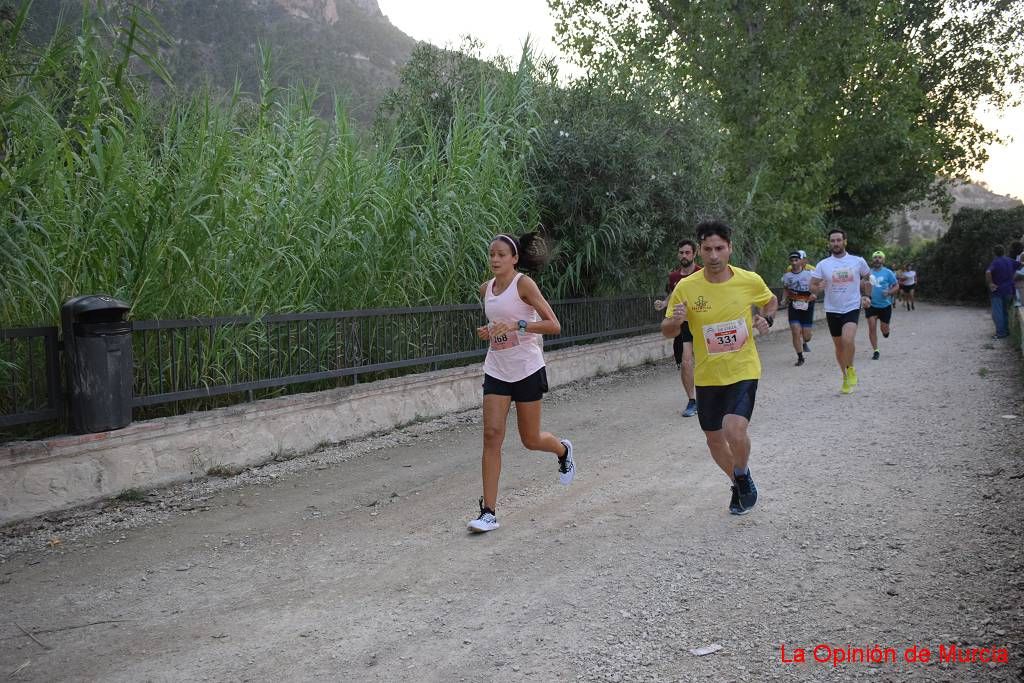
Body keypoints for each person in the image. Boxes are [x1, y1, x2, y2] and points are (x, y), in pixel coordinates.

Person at [661, 220, 778, 515]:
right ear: (699, 251)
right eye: (708, 249)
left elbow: (771, 300)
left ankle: (740, 475)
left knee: (733, 429)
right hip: (708, 375)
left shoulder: (748, 280)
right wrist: (675, 320)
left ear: (730, 249)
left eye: (719, 248)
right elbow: (666, 330)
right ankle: (740, 480)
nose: (714, 255)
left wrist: (768, 318)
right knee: (714, 440)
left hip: (743, 369)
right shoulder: (686, 287)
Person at [468, 233, 575, 533]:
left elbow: (553, 325)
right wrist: (491, 332)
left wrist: (519, 324)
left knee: (530, 439)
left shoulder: (524, 284)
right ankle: (488, 512)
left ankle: (563, 451)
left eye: (501, 254)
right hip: (497, 369)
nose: (495, 259)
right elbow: (498, 324)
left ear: (514, 258)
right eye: (491, 254)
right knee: (491, 435)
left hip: (527, 369)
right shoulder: (485, 289)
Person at [810, 229, 871, 394]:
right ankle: (845, 376)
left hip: (851, 305)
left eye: (838, 240)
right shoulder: (823, 264)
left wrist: (866, 295)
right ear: (829, 243)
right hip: (832, 308)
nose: (835, 243)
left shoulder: (857, 261)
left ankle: (851, 368)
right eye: (832, 241)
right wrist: (818, 288)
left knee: (847, 339)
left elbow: (867, 277)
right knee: (839, 346)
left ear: (845, 241)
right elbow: (812, 285)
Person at [654, 239, 702, 416]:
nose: (684, 256)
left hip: (702, 323)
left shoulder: (702, 273)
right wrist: (664, 304)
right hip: (683, 325)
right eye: (681, 252)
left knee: (707, 361)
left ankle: (712, 396)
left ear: (694, 254)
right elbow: (673, 294)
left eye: (687, 252)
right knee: (686, 362)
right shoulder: (674, 277)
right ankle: (692, 401)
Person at [780, 249, 816, 366]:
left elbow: (818, 285)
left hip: (807, 306)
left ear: (801, 261)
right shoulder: (787, 276)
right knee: (795, 332)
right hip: (794, 306)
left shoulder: (809, 274)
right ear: (789, 262)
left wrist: (814, 294)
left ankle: (805, 340)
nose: (794, 262)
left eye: (796, 260)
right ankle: (800, 357)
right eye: (792, 260)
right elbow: (785, 288)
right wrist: (784, 299)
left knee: (807, 336)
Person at [864, 250, 900, 360]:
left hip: (885, 305)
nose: (877, 259)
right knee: (871, 327)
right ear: (872, 260)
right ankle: (876, 351)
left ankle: (886, 331)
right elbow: (863, 285)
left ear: (883, 260)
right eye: (875, 257)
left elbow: (896, 286)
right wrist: (865, 297)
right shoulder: (868, 273)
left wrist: (889, 292)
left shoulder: (888, 272)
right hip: (871, 305)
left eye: (879, 257)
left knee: (884, 329)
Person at [985, 244, 1017, 340]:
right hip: (1009, 290)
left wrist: (991, 283)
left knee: (998, 313)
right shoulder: (1010, 260)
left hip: (998, 291)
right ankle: (1006, 331)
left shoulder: (995, 262)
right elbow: (1021, 264)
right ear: (1004, 251)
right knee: (1005, 312)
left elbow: (988, 272)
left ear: (994, 253)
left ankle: (1000, 333)